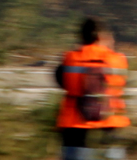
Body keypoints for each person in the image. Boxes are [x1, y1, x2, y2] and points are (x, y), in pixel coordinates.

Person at [55, 17, 129, 160]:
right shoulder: (118, 60)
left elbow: (62, 82)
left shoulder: (69, 59)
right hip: (109, 126)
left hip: (74, 128)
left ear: (81, 36)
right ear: (102, 36)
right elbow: (121, 84)